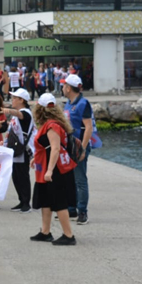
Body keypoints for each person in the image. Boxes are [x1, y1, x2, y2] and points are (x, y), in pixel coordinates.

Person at [30, 93, 78, 246]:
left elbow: (55, 148)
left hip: (56, 169)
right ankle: (45, 232)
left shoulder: (52, 126)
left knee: (59, 201)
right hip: (46, 166)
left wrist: (49, 170)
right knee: (46, 200)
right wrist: (37, 159)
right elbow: (47, 147)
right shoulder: (52, 124)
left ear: (39, 108)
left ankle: (68, 235)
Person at [62, 74, 92, 224]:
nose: (62, 88)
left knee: (80, 180)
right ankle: (71, 208)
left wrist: (83, 149)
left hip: (79, 146)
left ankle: (83, 211)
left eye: (64, 85)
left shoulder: (83, 103)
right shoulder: (68, 103)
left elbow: (88, 127)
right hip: (69, 146)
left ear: (68, 88)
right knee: (70, 179)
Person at [3, 89, 35, 213]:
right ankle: (21, 200)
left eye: (15, 98)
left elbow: (21, 115)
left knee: (23, 176)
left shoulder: (25, 113)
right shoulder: (17, 114)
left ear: (22, 100)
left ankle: (26, 203)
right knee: (16, 176)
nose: (12, 100)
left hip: (23, 149)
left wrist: (9, 110)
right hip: (15, 148)